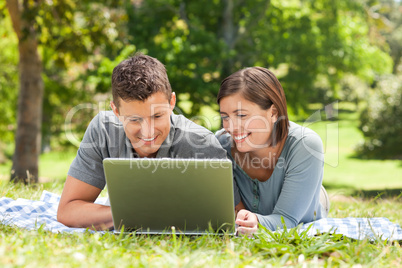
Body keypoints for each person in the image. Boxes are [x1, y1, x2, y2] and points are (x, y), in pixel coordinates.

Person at [57, 54, 227, 230]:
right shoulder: (103, 130)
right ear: (115, 111)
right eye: (134, 119)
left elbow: (225, 220)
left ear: (172, 102)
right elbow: (68, 211)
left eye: (157, 116)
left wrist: (135, 215)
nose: (148, 132)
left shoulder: (201, 142)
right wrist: (139, 215)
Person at [216, 67, 330, 236]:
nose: (230, 127)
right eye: (225, 117)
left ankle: (319, 196)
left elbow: (287, 220)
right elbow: (231, 214)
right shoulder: (220, 144)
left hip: (302, 212)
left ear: (274, 112)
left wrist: (255, 222)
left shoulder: (305, 144)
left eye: (241, 115)